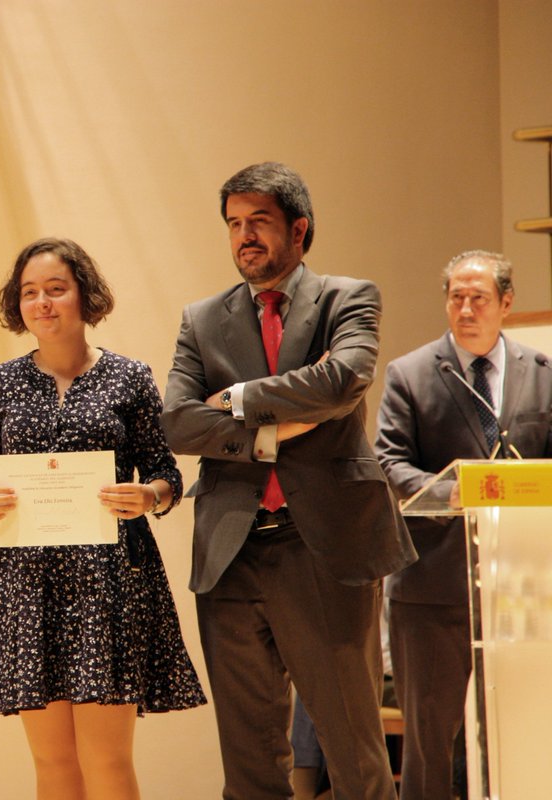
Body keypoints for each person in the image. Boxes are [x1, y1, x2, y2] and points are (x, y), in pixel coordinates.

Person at [162, 162, 416, 799]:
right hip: (230, 552)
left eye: (259, 222)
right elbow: (175, 424)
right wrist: (275, 430)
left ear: (299, 228)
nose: (244, 236)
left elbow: (341, 381)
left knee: (353, 755)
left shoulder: (347, 298)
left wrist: (237, 398)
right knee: (249, 763)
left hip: (324, 547)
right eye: (234, 225)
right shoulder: (201, 319)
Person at [0, 238, 206, 800]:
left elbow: (168, 474)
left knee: (107, 761)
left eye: (55, 289)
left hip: (109, 579)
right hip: (25, 581)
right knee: (51, 762)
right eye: (29, 293)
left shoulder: (129, 377)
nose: (42, 303)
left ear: (83, 295)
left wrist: (149, 496)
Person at [375, 249, 552, 799]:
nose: (466, 308)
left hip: (524, 586)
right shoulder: (411, 373)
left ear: (506, 303)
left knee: (525, 731)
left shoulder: (543, 374)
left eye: (478, 298)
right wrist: (459, 494)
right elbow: (388, 461)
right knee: (431, 742)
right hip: (433, 584)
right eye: (456, 298)